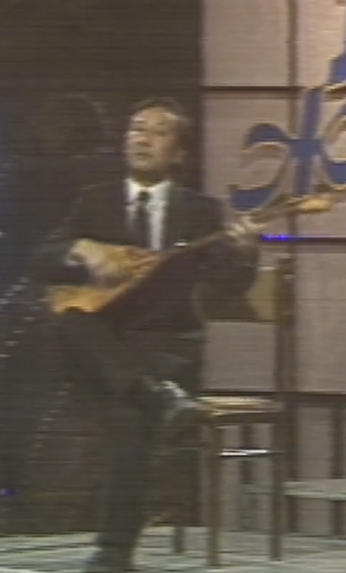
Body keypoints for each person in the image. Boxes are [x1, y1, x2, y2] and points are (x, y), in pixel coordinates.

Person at [32, 97, 259, 573]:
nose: (142, 139)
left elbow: (230, 286)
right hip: (103, 348)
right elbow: (40, 262)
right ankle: (157, 396)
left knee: (128, 425)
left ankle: (113, 554)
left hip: (167, 347)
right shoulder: (93, 200)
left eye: (158, 132)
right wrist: (82, 249)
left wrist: (246, 254)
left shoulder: (201, 211)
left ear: (179, 152)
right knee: (70, 318)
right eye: (136, 129)